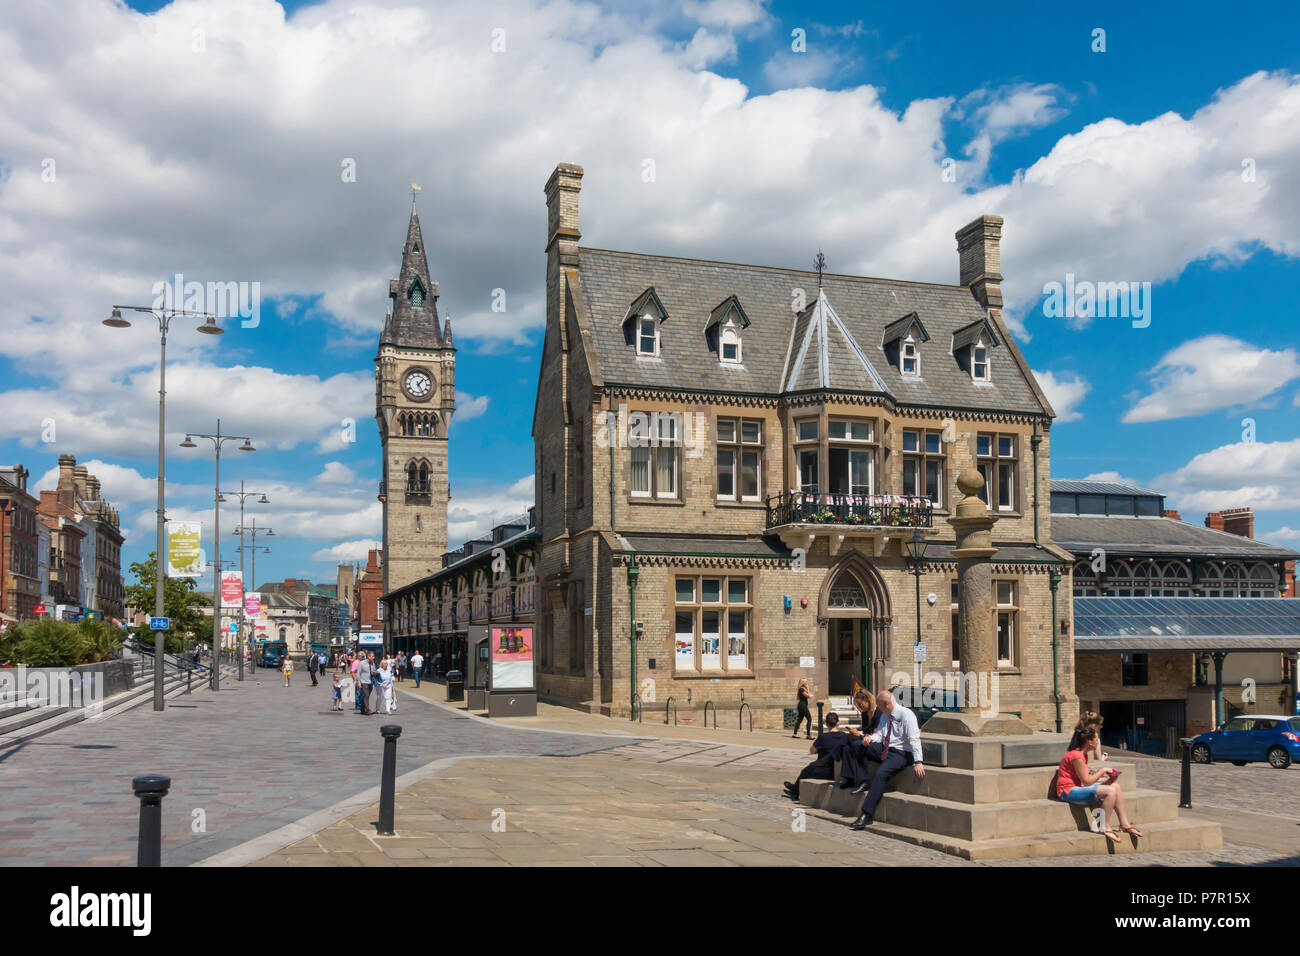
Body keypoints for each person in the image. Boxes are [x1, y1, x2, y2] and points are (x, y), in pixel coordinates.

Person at [849, 690, 925, 830]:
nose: (877, 708)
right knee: (857, 746)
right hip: (885, 747)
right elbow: (881, 735)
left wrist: (918, 762)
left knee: (881, 774)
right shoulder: (885, 715)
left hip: (901, 752)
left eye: (879, 705)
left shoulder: (906, 715)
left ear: (886, 704)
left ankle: (866, 814)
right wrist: (869, 739)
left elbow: (914, 739)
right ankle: (865, 779)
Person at [1055, 726, 1142, 843]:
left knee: (1115, 786)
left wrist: (1107, 780)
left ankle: (1124, 824)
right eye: (1096, 739)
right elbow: (1087, 781)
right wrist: (1103, 770)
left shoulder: (1082, 754)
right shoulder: (1076, 756)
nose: (1098, 741)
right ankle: (1104, 826)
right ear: (1089, 742)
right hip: (1067, 791)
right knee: (1110, 791)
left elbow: (1087, 778)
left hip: (1078, 787)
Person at [783, 712, 852, 799]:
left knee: (805, 771)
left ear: (826, 724)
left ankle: (795, 791)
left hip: (826, 770)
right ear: (838, 722)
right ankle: (795, 790)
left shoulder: (823, 737)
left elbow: (812, 750)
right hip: (839, 770)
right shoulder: (844, 736)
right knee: (808, 769)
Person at [837, 689, 878, 789]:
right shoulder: (865, 714)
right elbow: (866, 732)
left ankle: (833, 753)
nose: (859, 708)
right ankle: (849, 778)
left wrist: (859, 735)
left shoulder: (878, 713)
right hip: (865, 740)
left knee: (846, 737)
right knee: (846, 748)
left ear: (868, 700)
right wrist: (859, 734)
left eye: (861, 704)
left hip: (875, 743)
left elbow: (877, 735)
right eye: (857, 706)